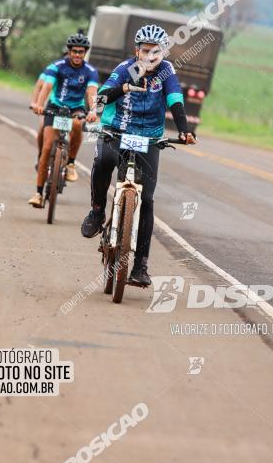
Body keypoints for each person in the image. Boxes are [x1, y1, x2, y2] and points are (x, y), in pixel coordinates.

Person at [80, 24, 196, 286]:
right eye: (146, 51)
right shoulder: (125, 69)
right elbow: (101, 97)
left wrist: (184, 130)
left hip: (150, 137)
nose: (151, 56)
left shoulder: (167, 72)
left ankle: (141, 266)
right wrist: (123, 89)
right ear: (137, 51)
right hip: (117, 129)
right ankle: (97, 211)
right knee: (104, 160)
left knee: (148, 200)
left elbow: (175, 100)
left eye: (157, 51)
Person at [28, 31, 98, 207]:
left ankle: (71, 163)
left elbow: (91, 92)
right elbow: (47, 85)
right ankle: (38, 193)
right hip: (55, 106)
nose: (77, 55)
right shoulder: (57, 66)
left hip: (76, 107)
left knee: (77, 124)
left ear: (85, 53)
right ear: (68, 51)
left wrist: (93, 111)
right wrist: (39, 104)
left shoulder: (90, 71)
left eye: (81, 52)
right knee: (46, 148)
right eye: (74, 51)